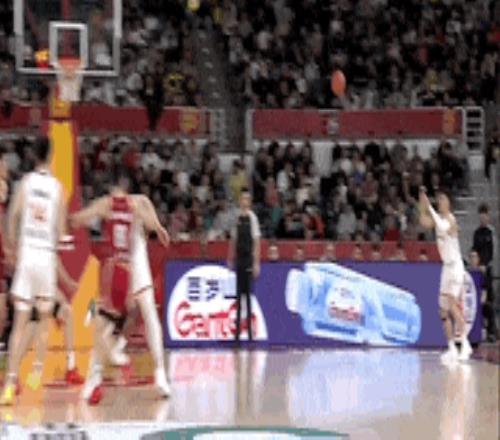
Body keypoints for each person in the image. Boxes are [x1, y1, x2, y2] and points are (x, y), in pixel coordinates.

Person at [71, 170, 171, 404]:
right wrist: (159, 229)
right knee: (137, 317)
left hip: (128, 267)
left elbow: (81, 218)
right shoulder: (137, 203)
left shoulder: (117, 203)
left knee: (118, 319)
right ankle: (150, 371)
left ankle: (114, 367)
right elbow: (153, 224)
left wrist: (157, 227)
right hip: (131, 267)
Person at [0, 137, 66, 405]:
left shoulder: (25, 183)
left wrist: (12, 247)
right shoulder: (58, 188)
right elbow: (60, 232)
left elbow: (11, 217)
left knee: (20, 322)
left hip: (26, 254)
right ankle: (37, 370)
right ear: (50, 156)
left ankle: (9, 384)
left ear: (33, 156)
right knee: (44, 317)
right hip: (46, 256)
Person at [419, 188, 472, 364]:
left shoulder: (450, 219)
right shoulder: (438, 219)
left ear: (449, 202)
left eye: (443, 199)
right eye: (438, 199)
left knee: (452, 305)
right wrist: (422, 203)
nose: (440, 202)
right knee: (443, 311)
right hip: (446, 268)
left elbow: (442, 226)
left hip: (456, 266)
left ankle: (465, 344)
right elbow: (423, 222)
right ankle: (451, 349)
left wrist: (429, 207)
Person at [227, 188, 261, 343]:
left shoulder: (253, 218)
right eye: (243, 199)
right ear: (240, 201)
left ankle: (250, 333)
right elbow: (233, 240)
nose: (245, 201)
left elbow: (256, 241)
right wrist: (230, 257)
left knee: (248, 296)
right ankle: (237, 332)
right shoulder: (236, 218)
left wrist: (256, 262)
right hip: (239, 260)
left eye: (247, 199)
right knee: (238, 295)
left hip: (248, 259)